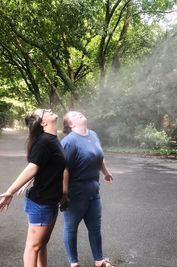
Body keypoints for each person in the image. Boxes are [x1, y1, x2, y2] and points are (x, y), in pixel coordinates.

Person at [0, 108, 66, 267]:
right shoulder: (44, 141)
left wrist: (64, 193)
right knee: (33, 247)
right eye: (45, 111)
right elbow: (33, 167)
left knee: (41, 244)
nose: (49, 109)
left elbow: (47, 166)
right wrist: (10, 192)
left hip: (50, 201)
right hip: (41, 202)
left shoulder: (52, 139)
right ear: (43, 122)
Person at [60, 111, 115, 267]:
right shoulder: (69, 142)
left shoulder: (93, 135)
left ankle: (99, 261)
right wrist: (64, 194)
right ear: (70, 125)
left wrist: (105, 172)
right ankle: (74, 263)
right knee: (71, 228)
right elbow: (64, 169)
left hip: (93, 190)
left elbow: (99, 155)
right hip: (75, 193)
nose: (79, 114)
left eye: (79, 112)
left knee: (95, 227)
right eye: (74, 115)